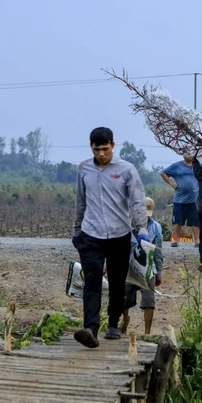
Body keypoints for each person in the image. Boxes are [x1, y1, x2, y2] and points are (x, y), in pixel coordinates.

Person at [72, 127, 148, 348]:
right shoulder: (83, 169)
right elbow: (80, 201)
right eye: (97, 149)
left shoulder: (126, 170)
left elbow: (137, 200)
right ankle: (91, 328)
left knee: (116, 282)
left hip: (119, 234)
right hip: (90, 233)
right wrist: (76, 229)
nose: (101, 154)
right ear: (91, 148)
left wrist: (141, 227)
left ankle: (113, 323)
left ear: (113, 146)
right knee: (92, 279)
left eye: (105, 149)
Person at [119, 197, 164, 335]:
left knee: (149, 301)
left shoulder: (156, 228)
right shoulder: (125, 225)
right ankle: (125, 320)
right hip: (128, 267)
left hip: (147, 268)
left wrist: (159, 272)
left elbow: (158, 251)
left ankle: (147, 333)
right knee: (122, 299)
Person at [159, 152, 200, 247]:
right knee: (177, 221)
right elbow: (163, 173)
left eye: (191, 153)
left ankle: (197, 241)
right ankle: (176, 241)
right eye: (188, 153)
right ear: (183, 155)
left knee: (195, 221)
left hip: (194, 200)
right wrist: (171, 183)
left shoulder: (197, 166)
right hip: (179, 200)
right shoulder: (177, 166)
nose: (190, 155)